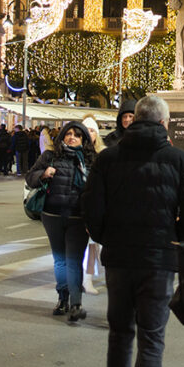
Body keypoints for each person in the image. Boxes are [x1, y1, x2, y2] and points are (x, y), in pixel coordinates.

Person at [82, 95, 184, 367]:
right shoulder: (179, 159)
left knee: (120, 334)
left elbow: (91, 205)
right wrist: (178, 239)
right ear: (164, 122)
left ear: (134, 119)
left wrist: (104, 237)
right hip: (159, 258)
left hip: (119, 257)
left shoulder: (107, 158)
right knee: (152, 336)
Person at [26, 121, 94, 323]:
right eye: (69, 134)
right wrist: (43, 174)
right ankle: (62, 298)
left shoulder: (90, 160)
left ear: (84, 139)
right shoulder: (50, 156)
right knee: (60, 260)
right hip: (53, 214)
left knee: (73, 260)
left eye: (77, 135)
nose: (72, 137)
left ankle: (76, 304)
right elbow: (30, 177)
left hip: (78, 217)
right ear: (62, 136)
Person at [80, 116, 103, 295]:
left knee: (94, 245)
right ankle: (82, 279)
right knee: (85, 245)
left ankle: (88, 278)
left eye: (93, 130)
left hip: (97, 204)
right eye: (86, 129)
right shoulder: (75, 151)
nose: (90, 133)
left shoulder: (103, 153)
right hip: (78, 204)